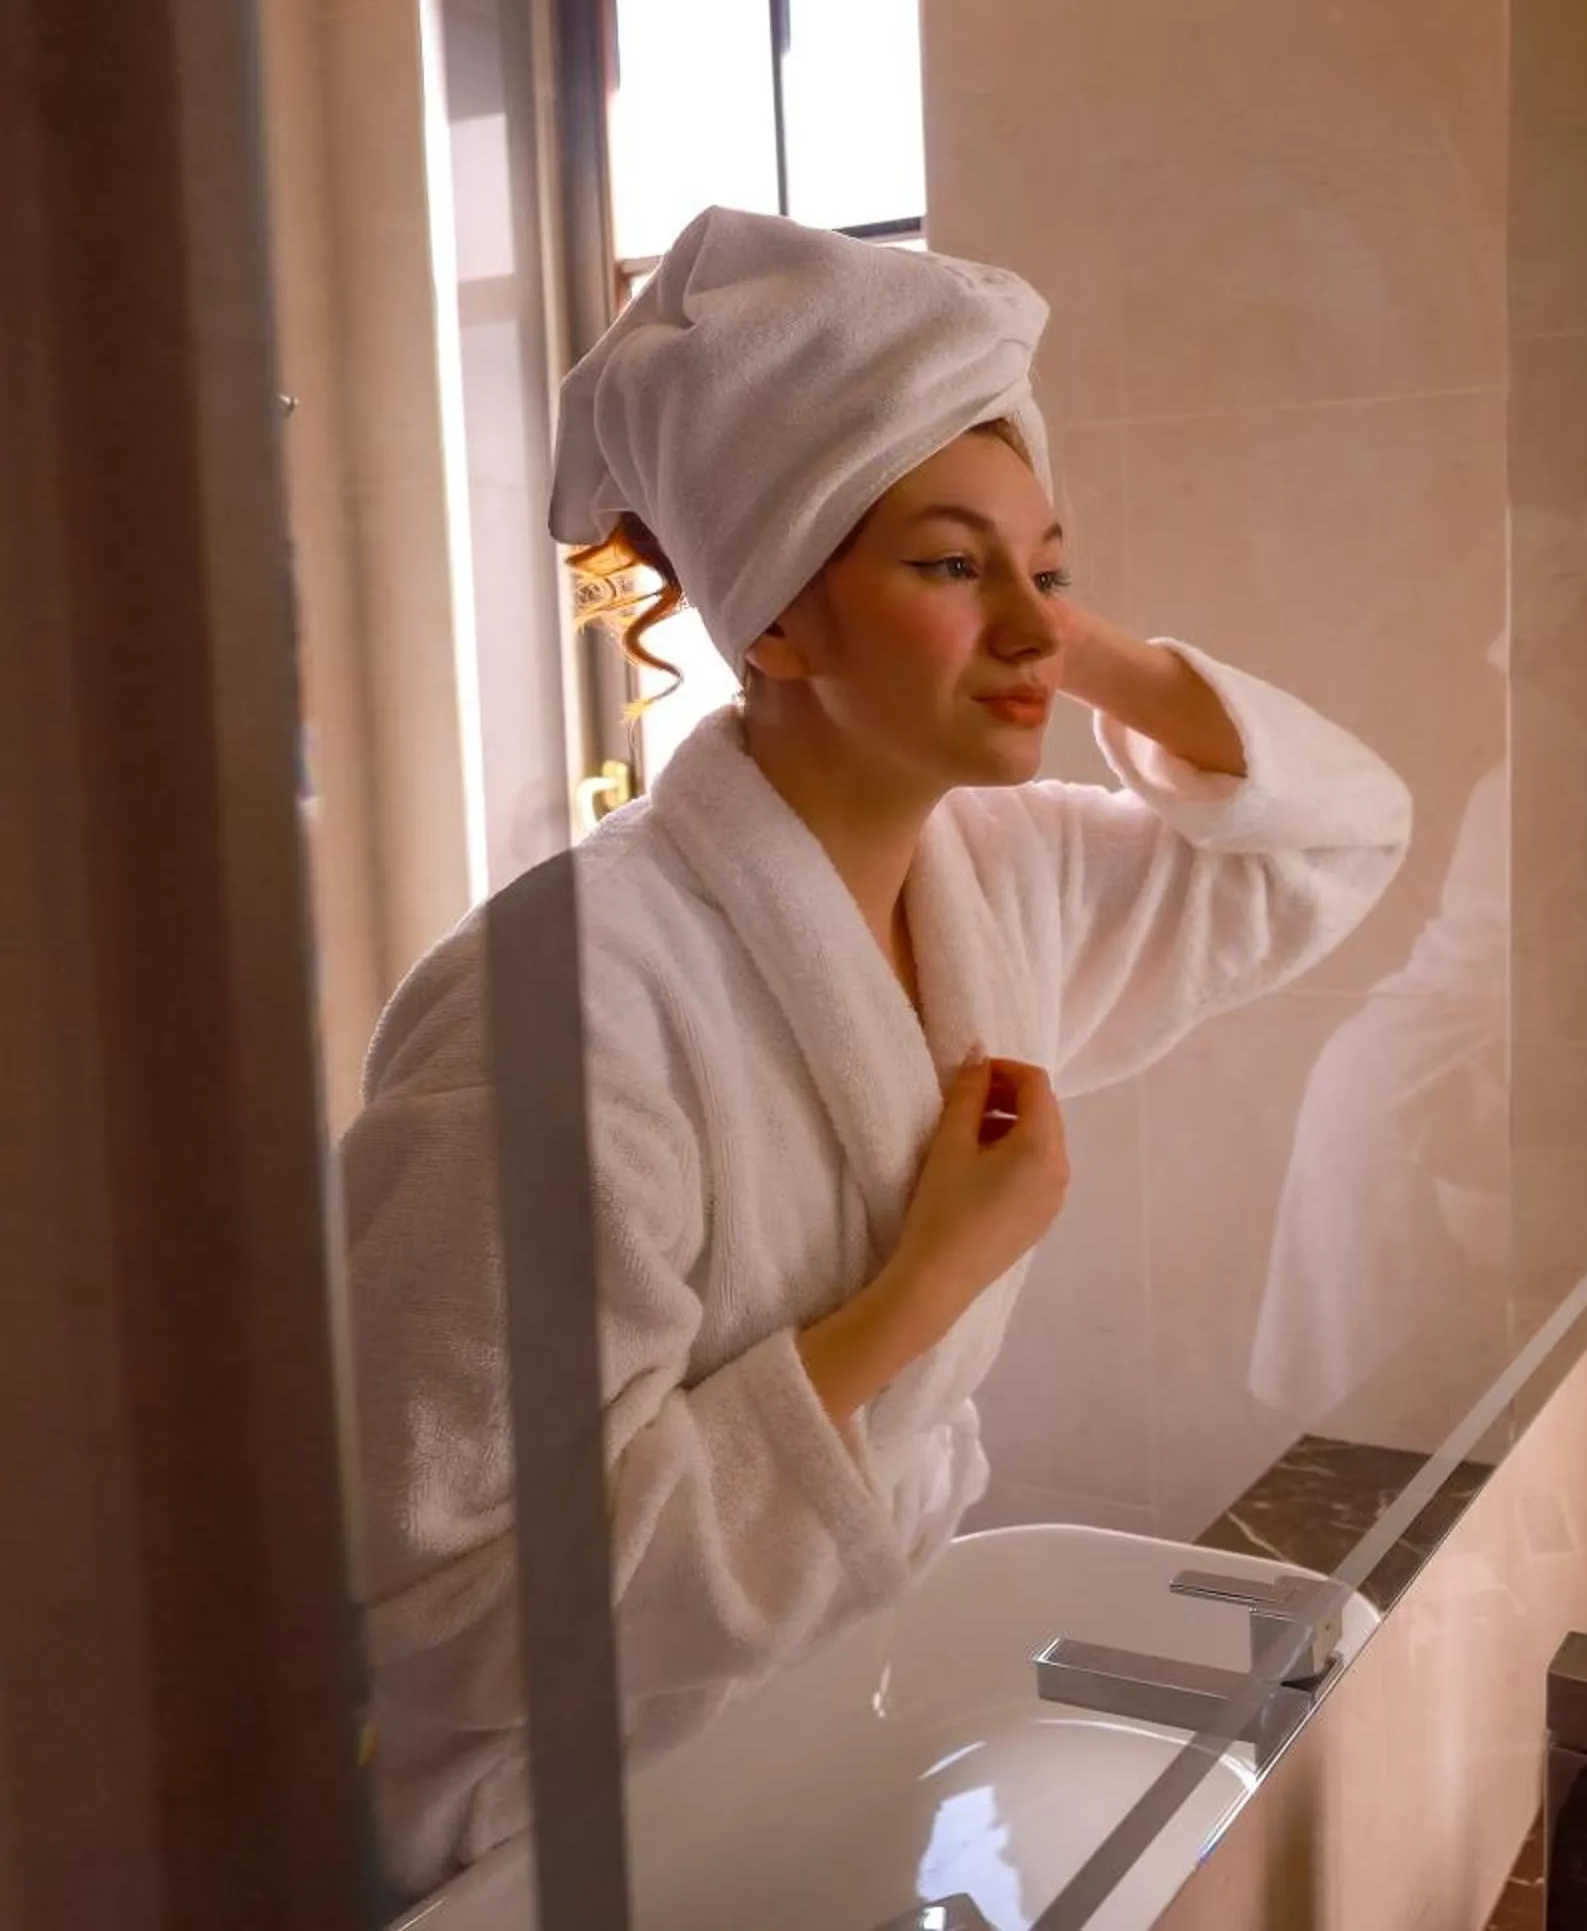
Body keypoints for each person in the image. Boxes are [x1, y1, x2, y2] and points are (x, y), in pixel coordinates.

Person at [340, 208, 1412, 1892]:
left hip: (832, 1719)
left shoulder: (1002, 878)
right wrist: (925, 1286)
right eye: (944, 563)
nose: (1036, 627)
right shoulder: (558, 1012)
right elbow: (446, 1615)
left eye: (1048, 562)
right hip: (556, 1839)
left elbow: (1336, 839)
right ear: (770, 619)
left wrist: (1056, 628)